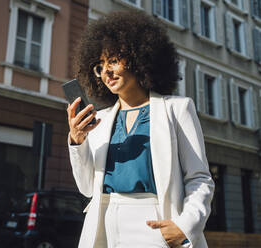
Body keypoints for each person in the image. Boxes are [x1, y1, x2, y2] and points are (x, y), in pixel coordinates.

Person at [66, 9, 214, 248]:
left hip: (156, 224)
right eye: (100, 65)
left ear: (139, 58)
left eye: (113, 61)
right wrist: (78, 140)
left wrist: (185, 226)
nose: (106, 72)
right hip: (103, 225)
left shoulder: (177, 109)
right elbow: (86, 187)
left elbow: (200, 178)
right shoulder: (100, 121)